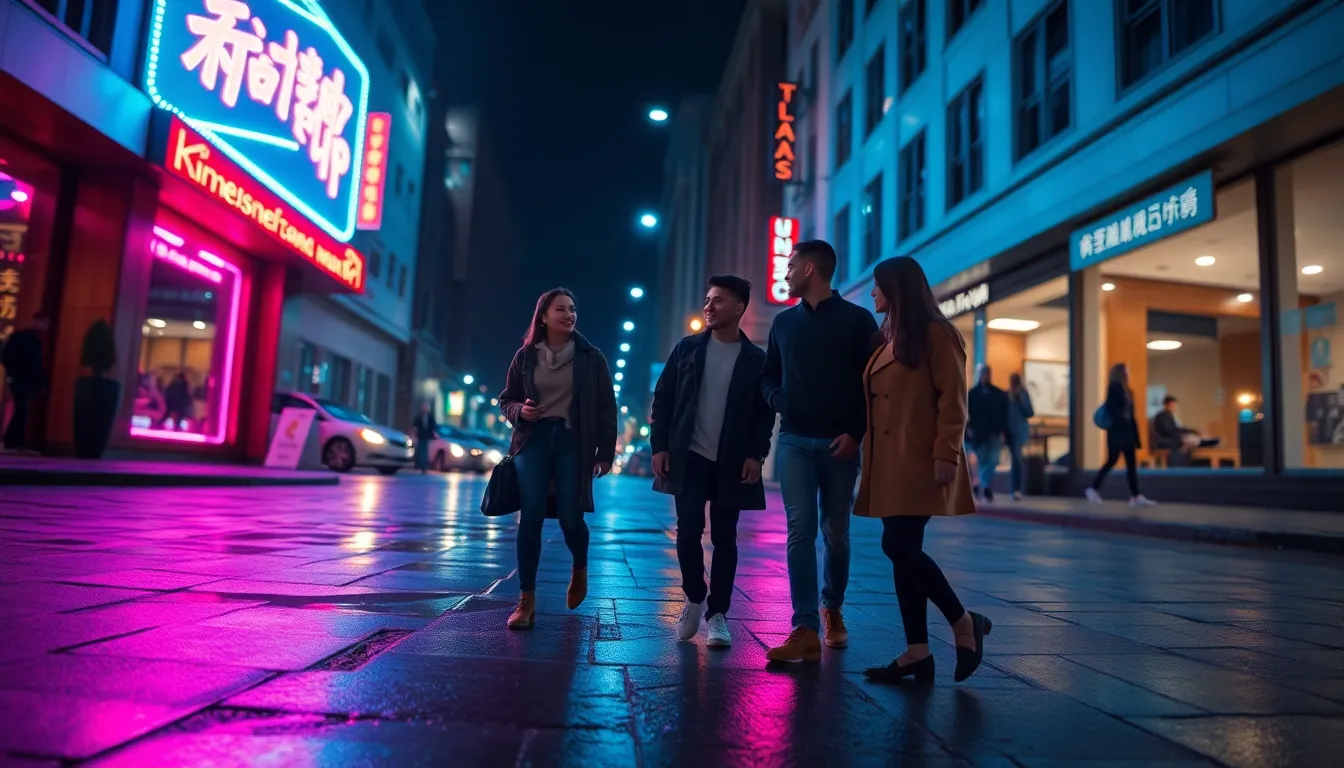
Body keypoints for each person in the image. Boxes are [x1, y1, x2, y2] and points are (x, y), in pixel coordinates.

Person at [855, 256, 990, 685]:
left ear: (896, 289)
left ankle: (964, 621)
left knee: (898, 545)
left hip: (921, 460)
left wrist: (946, 455)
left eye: (877, 286)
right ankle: (918, 651)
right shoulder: (891, 337)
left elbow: (954, 400)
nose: (872, 293)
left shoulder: (937, 333)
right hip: (890, 463)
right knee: (901, 549)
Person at [761, 239, 879, 663]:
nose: (786, 273)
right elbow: (768, 376)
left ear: (810, 270)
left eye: (790, 266)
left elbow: (874, 385)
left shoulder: (858, 321)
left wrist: (857, 433)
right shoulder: (782, 324)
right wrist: (777, 399)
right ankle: (805, 626)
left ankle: (832, 608)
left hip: (840, 444)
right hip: (793, 440)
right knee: (800, 530)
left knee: (837, 534)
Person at [650, 275, 774, 648]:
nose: (709, 306)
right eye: (707, 299)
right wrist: (660, 447)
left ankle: (718, 614)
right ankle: (693, 596)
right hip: (689, 455)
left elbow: (762, 414)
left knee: (725, 539)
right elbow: (664, 400)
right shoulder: (686, 349)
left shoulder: (756, 360)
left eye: (718, 300)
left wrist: (757, 454)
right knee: (687, 530)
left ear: (739, 308)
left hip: (732, 461)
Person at [498, 288, 617, 630]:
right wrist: (521, 410)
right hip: (532, 441)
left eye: (573, 309)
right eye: (561, 309)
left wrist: (605, 453)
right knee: (530, 516)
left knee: (570, 517)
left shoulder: (591, 357)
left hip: (572, 443)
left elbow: (606, 407)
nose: (569, 314)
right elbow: (507, 399)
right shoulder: (525, 356)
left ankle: (580, 566)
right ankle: (526, 600)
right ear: (544, 316)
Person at [1086, 363, 1156, 507]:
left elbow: (1132, 414)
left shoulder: (1129, 391)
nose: (1129, 373)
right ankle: (1094, 489)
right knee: (1112, 461)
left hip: (1127, 432)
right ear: (1121, 373)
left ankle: (1136, 496)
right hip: (1117, 433)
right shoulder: (1114, 388)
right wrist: (1122, 416)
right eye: (1127, 371)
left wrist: (1136, 436)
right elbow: (1112, 409)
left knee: (1130, 464)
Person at [1, 313, 49, 453]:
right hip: (20, 379)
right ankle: (12, 442)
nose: (44, 326)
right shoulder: (21, 338)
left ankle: (15, 442)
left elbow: (37, 365)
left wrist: (41, 383)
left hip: (27, 381)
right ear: (36, 321)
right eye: (43, 323)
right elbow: (6, 356)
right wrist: (13, 373)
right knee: (22, 410)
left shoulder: (36, 340)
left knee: (23, 410)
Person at [966, 365, 1009, 501]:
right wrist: (969, 429)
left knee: (993, 460)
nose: (985, 376)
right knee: (983, 460)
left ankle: (982, 484)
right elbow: (968, 413)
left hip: (994, 432)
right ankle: (985, 488)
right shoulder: (973, 394)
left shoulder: (998, 394)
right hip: (979, 434)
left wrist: (1003, 431)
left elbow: (1004, 414)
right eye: (983, 373)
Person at [1151, 395, 1209, 467]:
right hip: (1164, 441)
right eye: (1175, 405)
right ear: (1171, 405)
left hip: (1170, 439)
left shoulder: (1167, 416)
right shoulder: (1163, 416)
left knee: (1189, 441)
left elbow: (1176, 429)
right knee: (1190, 441)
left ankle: (1185, 462)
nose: (1176, 408)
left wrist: (1190, 432)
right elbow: (1169, 430)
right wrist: (1186, 434)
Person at [1006, 373, 1035, 500]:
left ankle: (1016, 489)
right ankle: (1014, 488)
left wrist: (1020, 400)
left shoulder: (1023, 394)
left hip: (1019, 432)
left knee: (1017, 460)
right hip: (1008, 431)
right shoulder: (1006, 395)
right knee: (1013, 459)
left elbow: (1030, 412)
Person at [411, 403, 437, 474]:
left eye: (426, 408)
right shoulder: (419, 417)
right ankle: (419, 465)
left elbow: (433, 427)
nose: (425, 409)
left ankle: (423, 466)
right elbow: (415, 427)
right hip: (420, 436)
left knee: (425, 451)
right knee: (420, 450)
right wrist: (414, 434)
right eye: (424, 408)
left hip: (427, 436)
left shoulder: (430, 417)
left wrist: (433, 434)